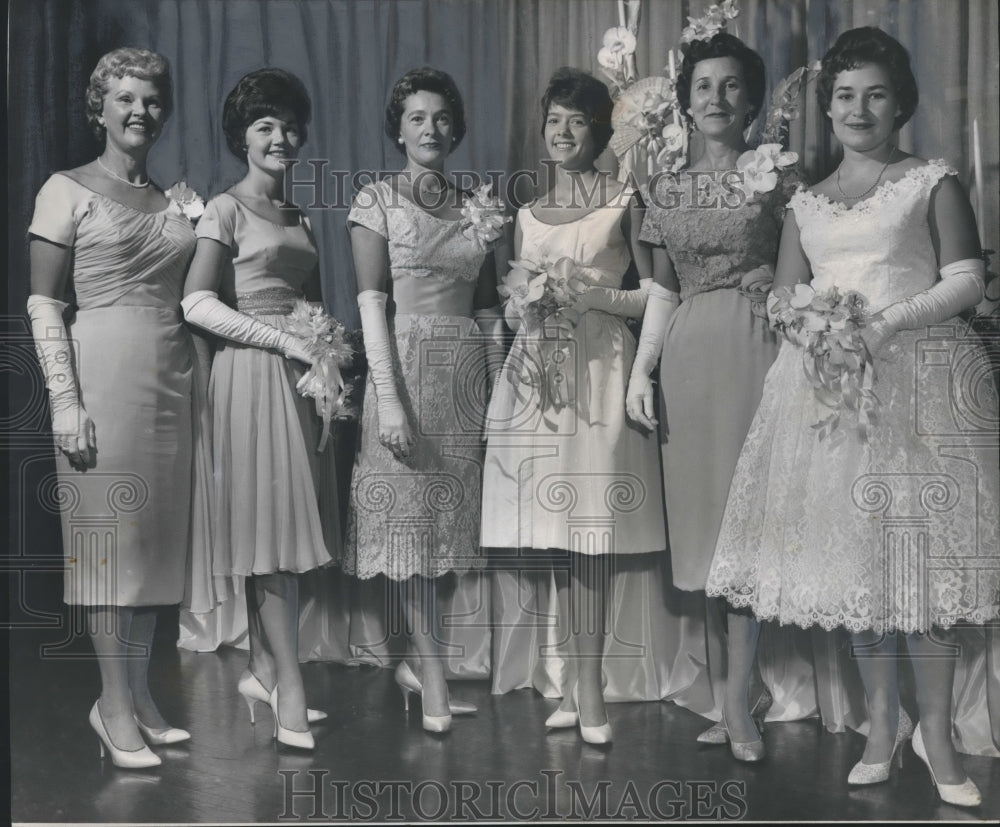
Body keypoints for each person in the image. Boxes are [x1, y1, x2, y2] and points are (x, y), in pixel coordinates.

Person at [705, 27, 998, 806]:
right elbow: (784, 294)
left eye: (874, 94)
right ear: (826, 109)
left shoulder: (932, 180)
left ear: (900, 103)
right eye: (843, 95)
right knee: (860, 570)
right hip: (828, 399)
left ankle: (936, 736)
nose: (858, 108)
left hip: (919, 387)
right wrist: (809, 322)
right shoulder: (806, 201)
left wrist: (885, 325)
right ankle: (879, 727)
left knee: (917, 567)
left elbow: (968, 278)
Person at [482, 67, 666, 745]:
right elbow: (511, 298)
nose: (563, 132)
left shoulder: (624, 198)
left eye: (578, 121)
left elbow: (653, 293)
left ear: (599, 131)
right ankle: (563, 674)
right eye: (554, 119)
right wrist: (523, 302)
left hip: (598, 369)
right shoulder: (527, 214)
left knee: (591, 530)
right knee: (555, 532)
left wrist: (588, 297)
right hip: (537, 372)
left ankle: (591, 686)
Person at [627, 32, 799, 755]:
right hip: (690, 354)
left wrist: (780, 280)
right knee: (702, 523)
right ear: (686, 103)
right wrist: (643, 368)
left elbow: (817, 262)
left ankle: (739, 701)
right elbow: (660, 291)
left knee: (745, 519)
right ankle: (725, 693)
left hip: (757, 346)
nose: (718, 99)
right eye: (704, 87)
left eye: (732, 86)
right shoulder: (663, 189)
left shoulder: (781, 178)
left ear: (753, 101)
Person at [26, 47, 197, 768]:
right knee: (108, 550)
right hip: (101, 377)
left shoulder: (175, 200)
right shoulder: (65, 189)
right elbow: (42, 302)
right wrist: (65, 402)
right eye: (125, 98)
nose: (139, 111)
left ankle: (140, 693)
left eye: (152, 100)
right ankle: (112, 704)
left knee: (154, 549)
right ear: (99, 107)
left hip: (171, 383)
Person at [182, 68, 339, 751]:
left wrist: (325, 359)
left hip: (298, 379)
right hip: (249, 374)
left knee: (268, 528)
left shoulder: (299, 216)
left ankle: (262, 667)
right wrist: (282, 341)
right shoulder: (224, 209)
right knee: (268, 532)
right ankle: (292, 688)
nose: (281, 137)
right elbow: (196, 302)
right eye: (264, 126)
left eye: (288, 125)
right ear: (242, 138)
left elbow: (316, 304)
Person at [343, 67, 498, 733]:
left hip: (463, 375)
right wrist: (390, 402)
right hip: (403, 369)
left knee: (441, 531)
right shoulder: (375, 199)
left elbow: (490, 310)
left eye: (440, 117)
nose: (430, 128)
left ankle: (415, 658)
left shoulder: (479, 206)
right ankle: (432, 672)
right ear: (398, 129)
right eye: (416, 117)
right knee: (406, 529)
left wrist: (497, 395)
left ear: (456, 129)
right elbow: (371, 305)